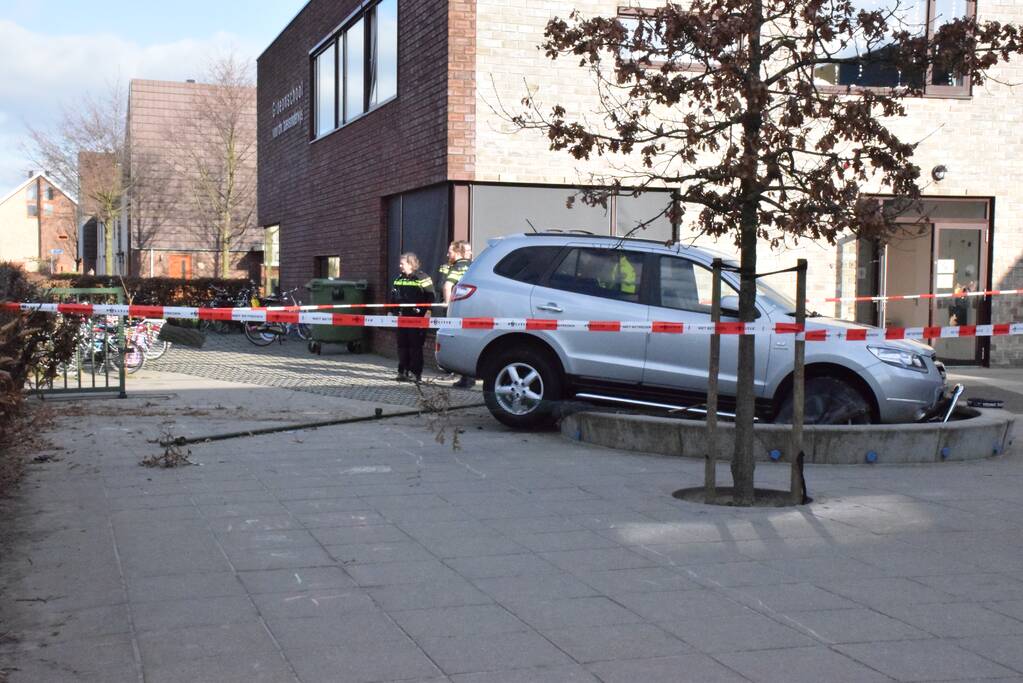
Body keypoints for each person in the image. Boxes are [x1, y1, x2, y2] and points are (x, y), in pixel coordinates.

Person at [391, 252, 434, 383]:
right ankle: (403, 371)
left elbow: (431, 296)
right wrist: (391, 311)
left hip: (417, 318)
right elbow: (393, 297)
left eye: (402, 263)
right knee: (402, 345)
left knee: (415, 346)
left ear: (410, 264)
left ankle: (416, 374)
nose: (400, 266)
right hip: (402, 317)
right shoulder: (399, 279)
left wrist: (428, 312)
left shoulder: (422, 278)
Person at [439, 240, 475, 388]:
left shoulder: (457, 266)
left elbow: (447, 286)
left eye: (451, 252)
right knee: (470, 340)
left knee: (459, 341)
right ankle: (469, 376)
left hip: (460, 309)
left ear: (458, 252)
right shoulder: (474, 265)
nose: (448, 255)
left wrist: (449, 306)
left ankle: (464, 377)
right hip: (473, 308)